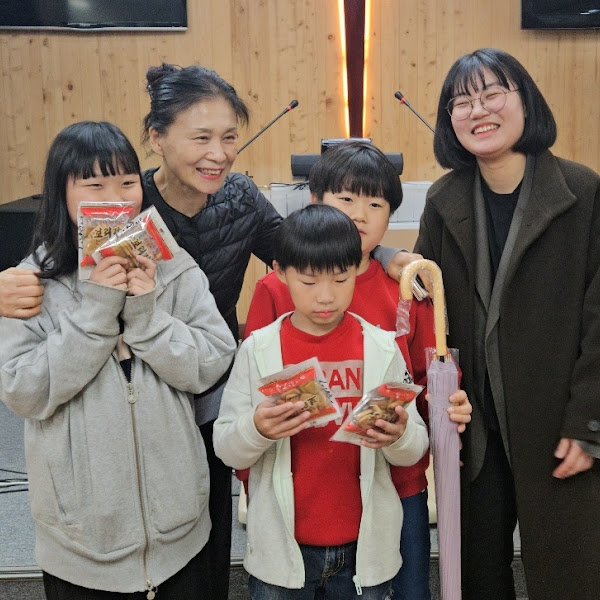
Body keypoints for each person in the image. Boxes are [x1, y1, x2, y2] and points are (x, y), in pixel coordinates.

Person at [0, 64, 422, 599]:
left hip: (209, 388)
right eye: (201, 138)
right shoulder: (126, 210)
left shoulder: (238, 197)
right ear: (157, 138)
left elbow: (307, 251)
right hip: (114, 415)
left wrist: (382, 253)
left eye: (228, 138)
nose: (217, 154)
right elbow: (50, 269)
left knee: (205, 547)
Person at [0, 121, 237, 599]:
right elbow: (25, 391)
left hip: (179, 530)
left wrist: (147, 319)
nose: (116, 199)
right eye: (94, 186)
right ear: (61, 194)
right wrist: (95, 312)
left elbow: (214, 359)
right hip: (82, 544)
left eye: (127, 182)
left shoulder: (170, 264)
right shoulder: (30, 284)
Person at [241, 140, 472, 600]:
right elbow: (252, 393)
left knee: (403, 587)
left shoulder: (408, 287)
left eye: (376, 204)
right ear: (315, 201)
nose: (359, 215)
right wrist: (256, 488)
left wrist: (450, 406)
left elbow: (427, 377)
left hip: (396, 483)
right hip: (300, 489)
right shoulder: (277, 288)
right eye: (345, 199)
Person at [414, 47, 600, 600]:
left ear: (526, 101)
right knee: (478, 575)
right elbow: (426, 310)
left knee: (569, 572)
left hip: (557, 423)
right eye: (461, 102)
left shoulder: (582, 192)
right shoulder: (444, 199)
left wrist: (589, 422)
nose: (478, 110)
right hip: (473, 430)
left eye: (492, 93)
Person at [214, 203, 430, 599]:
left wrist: (399, 436)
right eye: (309, 282)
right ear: (279, 272)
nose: (326, 297)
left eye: (341, 279)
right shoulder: (259, 350)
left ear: (357, 271)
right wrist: (257, 429)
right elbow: (227, 446)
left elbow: (414, 447)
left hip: (365, 550)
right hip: (281, 552)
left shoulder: (381, 348)